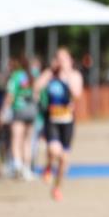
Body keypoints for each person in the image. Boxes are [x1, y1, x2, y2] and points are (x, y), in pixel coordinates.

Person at [34, 47, 84, 201]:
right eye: (59, 59)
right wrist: (50, 72)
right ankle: (48, 166)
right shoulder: (51, 75)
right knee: (54, 151)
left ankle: (57, 187)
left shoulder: (74, 75)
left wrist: (66, 77)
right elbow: (36, 87)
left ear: (70, 60)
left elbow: (77, 94)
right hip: (52, 119)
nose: (62, 62)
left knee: (64, 159)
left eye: (65, 59)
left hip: (67, 121)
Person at [0, 56, 38, 180]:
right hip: (31, 111)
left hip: (19, 110)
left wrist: (3, 111)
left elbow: (10, 95)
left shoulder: (15, 76)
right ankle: (27, 169)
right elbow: (37, 94)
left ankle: (17, 167)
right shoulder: (32, 75)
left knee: (16, 140)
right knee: (27, 141)